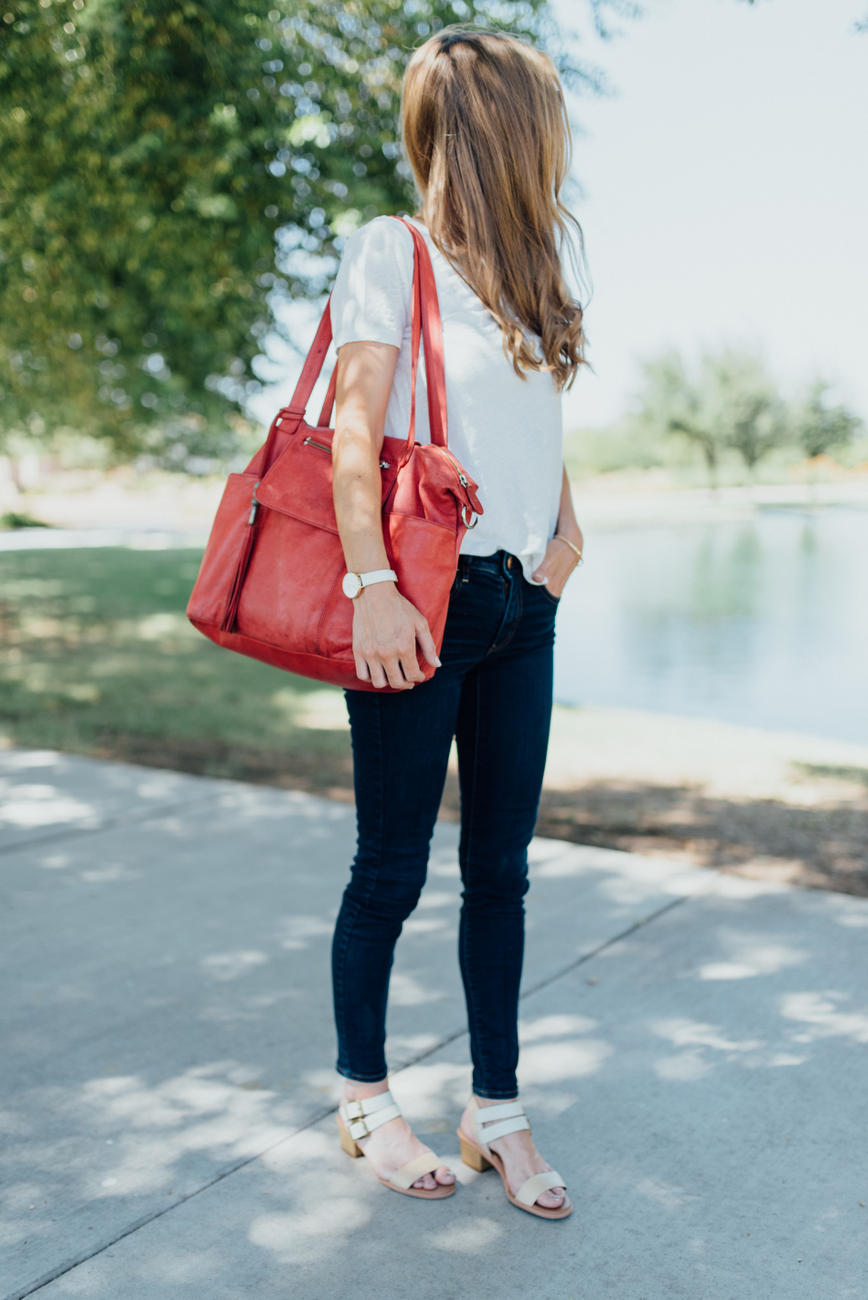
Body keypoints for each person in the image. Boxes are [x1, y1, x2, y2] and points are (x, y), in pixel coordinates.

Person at [328, 27, 586, 1217]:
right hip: (421, 600)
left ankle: (498, 1108)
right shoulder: (396, 251)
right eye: (546, 117)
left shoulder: (529, 274)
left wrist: (567, 527)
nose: (560, 140)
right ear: (506, 130)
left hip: (521, 602)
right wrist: (369, 583)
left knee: (501, 871)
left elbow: (535, 430)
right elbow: (352, 424)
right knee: (391, 866)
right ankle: (366, 1099)